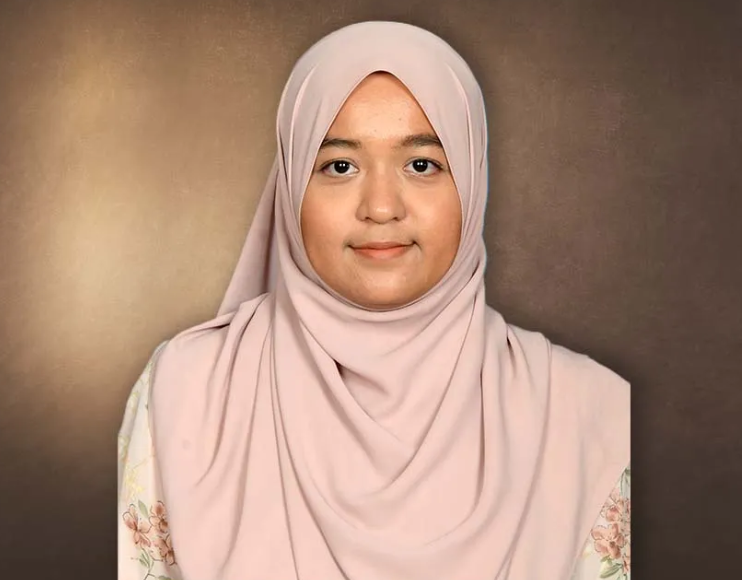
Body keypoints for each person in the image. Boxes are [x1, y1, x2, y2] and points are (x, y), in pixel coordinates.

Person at [117, 20, 630, 580]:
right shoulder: (185, 393)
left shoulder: (590, 415)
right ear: (291, 186)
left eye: (421, 165)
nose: (381, 207)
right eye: (340, 166)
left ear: (472, 179)